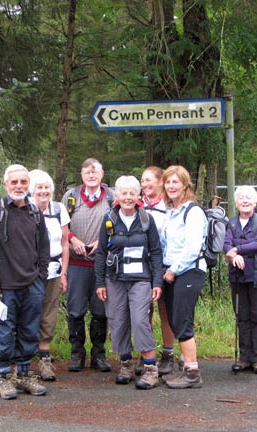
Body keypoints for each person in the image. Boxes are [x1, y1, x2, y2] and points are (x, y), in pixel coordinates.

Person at [0, 164, 50, 400]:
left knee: (30, 330)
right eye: (14, 182)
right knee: (5, 332)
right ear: (5, 184)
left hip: (32, 284)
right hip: (4, 286)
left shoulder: (34, 212)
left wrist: (40, 276)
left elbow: (44, 247)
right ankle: (3, 377)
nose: (19, 186)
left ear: (27, 184)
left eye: (23, 182)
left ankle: (24, 374)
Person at [95, 176, 163, 389]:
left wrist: (157, 282)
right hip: (114, 279)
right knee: (117, 320)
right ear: (117, 196)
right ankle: (126, 365)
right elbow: (101, 253)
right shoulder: (109, 219)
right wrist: (100, 283)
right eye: (123, 193)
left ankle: (151, 369)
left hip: (141, 279)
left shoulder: (146, 220)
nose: (127, 197)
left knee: (140, 320)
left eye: (131, 193)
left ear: (138, 196)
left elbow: (155, 252)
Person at [62, 158, 113, 373]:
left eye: (95, 172)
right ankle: (77, 353)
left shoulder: (112, 197)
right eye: (87, 173)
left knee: (101, 310)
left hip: (102, 264)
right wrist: (73, 239)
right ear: (82, 175)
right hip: (75, 263)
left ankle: (99, 353)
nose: (91, 176)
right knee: (75, 310)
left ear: (102, 175)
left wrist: (101, 243)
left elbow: (119, 224)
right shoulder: (70, 197)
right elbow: (61, 224)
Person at [160, 165, 208, 389]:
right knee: (175, 319)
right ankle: (185, 366)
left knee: (182, 320)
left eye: (175, 182)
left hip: (188, 271)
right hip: (172, 271)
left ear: (185, 185)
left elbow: (192, 247)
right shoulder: (172, 212)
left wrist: (173, 270)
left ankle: (192, 373)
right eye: (168, 182)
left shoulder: (193, 211)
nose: (171, 186)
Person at [224, 185, 257, 375]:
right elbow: (226, 244)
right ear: (236, 202)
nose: (245, 200)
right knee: (241, 316)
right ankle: (244, 357)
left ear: (255, 202)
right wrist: (233, 254)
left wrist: (237, 249)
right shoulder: (231, 223)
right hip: (237, 276)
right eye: (241, 197)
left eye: (249, 197)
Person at [28, 169, 70, 382]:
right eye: (39, 188)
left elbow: (64, 243)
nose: (44, 191)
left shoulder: (58, 209)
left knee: (49, 312)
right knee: (28, 311)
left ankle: (44, 358)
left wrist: (64, 273)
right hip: (29, 270)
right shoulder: (24, 209)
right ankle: (24, 359)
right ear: (31, 190)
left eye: (47, 187)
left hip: (53, 269)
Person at [140, 166, 175, 376]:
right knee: (143, 312)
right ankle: (146, 355)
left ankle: (168, 355)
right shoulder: (137, 204)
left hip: (164, 264)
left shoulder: (169, 205)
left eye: (148, 180)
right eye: (142, 181)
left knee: (165, 312)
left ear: (160, 181)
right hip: (141, 265)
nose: (144, 184)